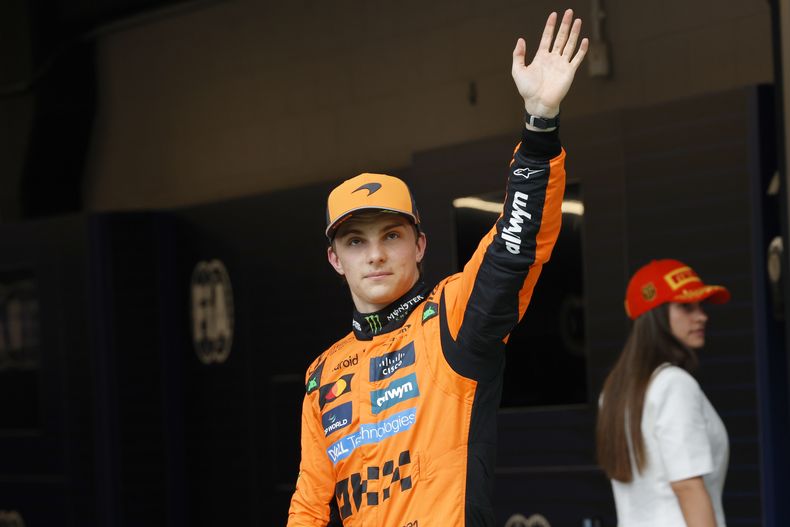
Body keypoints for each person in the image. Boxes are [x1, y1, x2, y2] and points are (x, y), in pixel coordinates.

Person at [287, 9, 588, 527]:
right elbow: (311, 504)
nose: (376, 254)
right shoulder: (322, 376)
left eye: (393, 235)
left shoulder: (451, 317)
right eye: (357, 242)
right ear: (336, 259)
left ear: (420, 245)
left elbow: (514, 250)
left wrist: (540, 126)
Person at [596, 259, 732, 526]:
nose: (702, 315)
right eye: (686, 306)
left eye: (700, 306)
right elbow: (688, 488)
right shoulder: (673, 385)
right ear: (655, 314)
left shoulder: (612, 393)